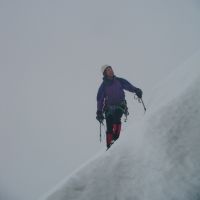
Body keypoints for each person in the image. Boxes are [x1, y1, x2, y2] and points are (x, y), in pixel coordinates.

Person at [96, 65, 143, 149]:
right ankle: (109, 146)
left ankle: (115, 139)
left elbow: (128, 86)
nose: (110, 71)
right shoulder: (103, 86)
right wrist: (99, 111)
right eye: (108, 70)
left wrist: (136, 90)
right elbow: (100, 99)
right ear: (105, 73)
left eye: (111, 69)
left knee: (117, 117)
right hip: (108, 109)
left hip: (120, 106)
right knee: (109, 127)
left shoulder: (119, 81)